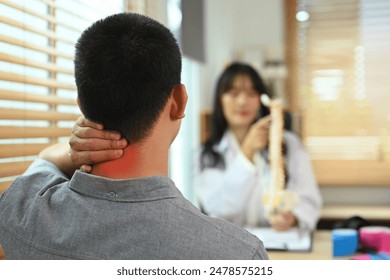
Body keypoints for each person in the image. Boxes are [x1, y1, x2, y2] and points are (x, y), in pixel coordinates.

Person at [0, 13, 268, 260]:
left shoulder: (18, 213)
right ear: (179, 101)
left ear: (81, 105)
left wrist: (72, 153)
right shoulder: (238, 255)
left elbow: (45, 160)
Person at [193, 62, 323, 231]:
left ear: (260, 100)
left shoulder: (290, 144)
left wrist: (292, 218)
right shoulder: (205, 155)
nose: (242, 101)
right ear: (220, 100)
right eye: (233, 93)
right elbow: (217, 207)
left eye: (251, 93)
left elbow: (310, 201)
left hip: (280, 245)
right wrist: (247, 150)